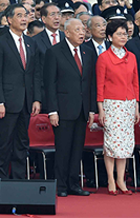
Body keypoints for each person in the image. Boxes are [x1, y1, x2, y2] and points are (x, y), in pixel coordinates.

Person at [0, 4, 42, 181]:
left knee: (22, 143)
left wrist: (36, 99)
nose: (24, 18)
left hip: (26, 101)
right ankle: (2, 181)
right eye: (19, 15)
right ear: (9, 19)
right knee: (5, 144)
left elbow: (35, 73)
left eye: (26, 15)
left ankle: (19, 180)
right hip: (7, 102)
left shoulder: (30, 43)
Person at [43, 18, 95, 197]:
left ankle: (74, 184)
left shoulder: (88, 52)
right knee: (63, 149)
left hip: (82, 109)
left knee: (77, 150)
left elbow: (90, 83)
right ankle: (62, 186)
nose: (82, 33)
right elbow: (49, 83)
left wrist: (91, 109)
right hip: (62, 109)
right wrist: (52, 111)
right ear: (67, 32)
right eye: (78, 30)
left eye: (83, 29)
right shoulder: (54, 52)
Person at [96, 19, 140, 195]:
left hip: (128, 103)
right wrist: (101, 109)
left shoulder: (132, 57)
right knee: (112, 144)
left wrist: (136, 106)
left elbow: (135, 83)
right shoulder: (104, 58)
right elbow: (100, 85)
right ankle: (110, 179)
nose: (123, 37)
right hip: (111, 103)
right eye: (119, 34)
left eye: (125, 33)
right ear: (109, 36)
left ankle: (121, 180)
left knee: (125, 145)